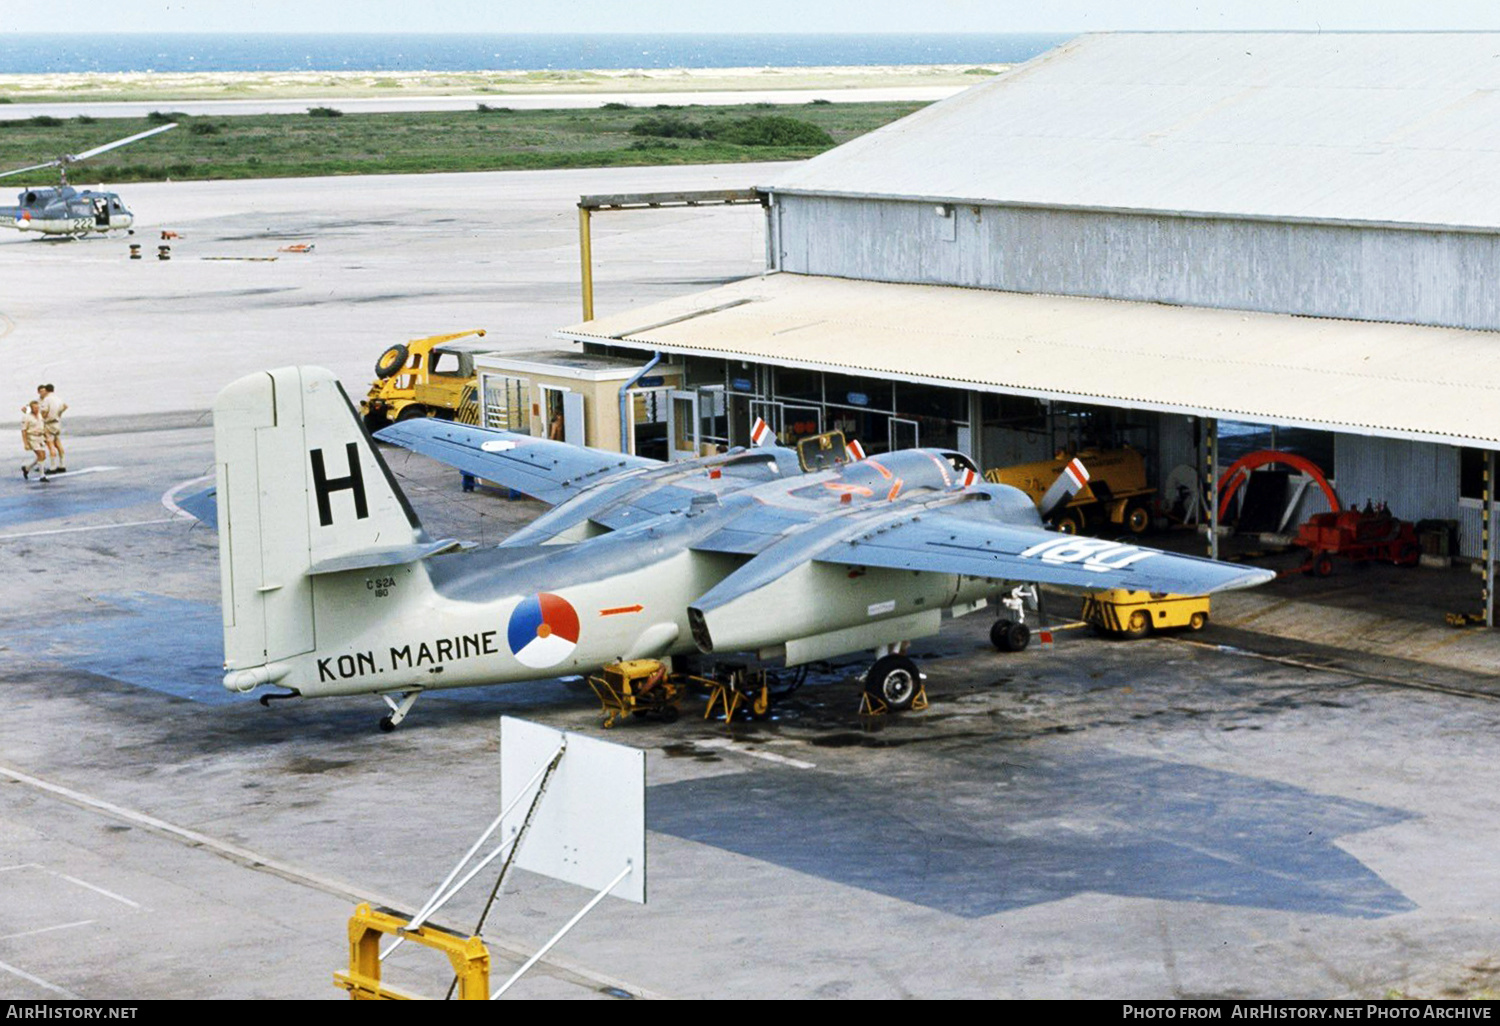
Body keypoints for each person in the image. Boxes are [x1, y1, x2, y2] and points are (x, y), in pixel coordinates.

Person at [37, 383, 66, 473]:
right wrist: (58, 414)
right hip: (57, 423)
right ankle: (62, 464)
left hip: (49, 424)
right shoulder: (58, 399)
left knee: (50, 445)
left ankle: (53, 467)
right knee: (58, 443)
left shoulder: (47, 399)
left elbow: (44, 411)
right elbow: (64, 407)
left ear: (46, 390)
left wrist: (42, 418)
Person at [20, 400, 47, 482]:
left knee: (43, 456)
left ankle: (27, 468)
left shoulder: (39, 415)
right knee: (40, 455)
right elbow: (23, 431)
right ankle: (42, 476)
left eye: (37, 407)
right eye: (34, 408)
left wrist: (45, 436)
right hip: (32, 437)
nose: (36, 409)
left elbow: (42, 425)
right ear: (31, 408)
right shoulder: (26, 417)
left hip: (40, 437)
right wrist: (26, 443)